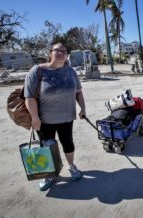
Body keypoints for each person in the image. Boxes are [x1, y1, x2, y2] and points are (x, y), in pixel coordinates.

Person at [24, 42, 86, 191]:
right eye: (57, 50)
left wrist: (83, 108)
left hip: (66, 117)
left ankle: (71, 166)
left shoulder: (71, 71)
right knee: (46, 147)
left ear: (66, 55)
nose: (61, 53)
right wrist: (34, 118)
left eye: (64, 51)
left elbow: (78, 92)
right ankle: (49, 174)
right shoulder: (37, 71)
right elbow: (29, 97)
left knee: (68, 144)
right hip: (44, 120)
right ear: (50, 52)